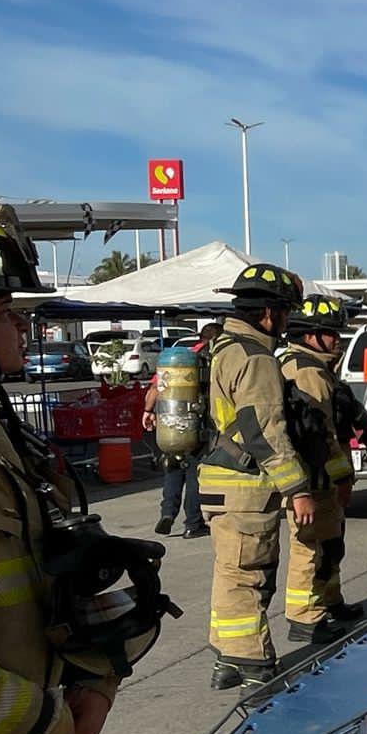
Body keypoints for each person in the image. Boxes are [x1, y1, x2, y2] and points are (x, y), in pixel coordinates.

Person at [0, 205, 117, 734]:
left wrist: (99, 674)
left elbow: (48, 573)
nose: (19, 325)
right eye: (3, 310)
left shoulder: (7, 439)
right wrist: (47, 722)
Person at [199, 263, 312, 691]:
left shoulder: (222, 348)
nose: (287, 321)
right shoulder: (255, 358)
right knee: (249, 574)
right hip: (245, 486)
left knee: (230, 572)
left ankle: (228, 657)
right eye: (285, 312)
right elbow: (265, 431)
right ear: (268, 313)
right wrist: (297, 488)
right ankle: (253, 663)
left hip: (219, 481)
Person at [278, 295, 363, 640]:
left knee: (331, 543)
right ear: (310, 336)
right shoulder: (309, 373)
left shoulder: (305, 365)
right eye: (331, 333)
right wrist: (342, 476)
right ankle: (305, 619)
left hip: (316, 473)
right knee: (310, 548)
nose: (337, 340)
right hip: (314, 476)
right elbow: (322, 434)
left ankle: (331, 600)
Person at [144, 322, 222, 540]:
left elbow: (155, 388)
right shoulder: (211, 359)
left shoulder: (178, 359)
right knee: (194, 474)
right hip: (197, 425)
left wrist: (148, 411)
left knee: (173, 469)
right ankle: (193, 524)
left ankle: (167, 513)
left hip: (170, 424)